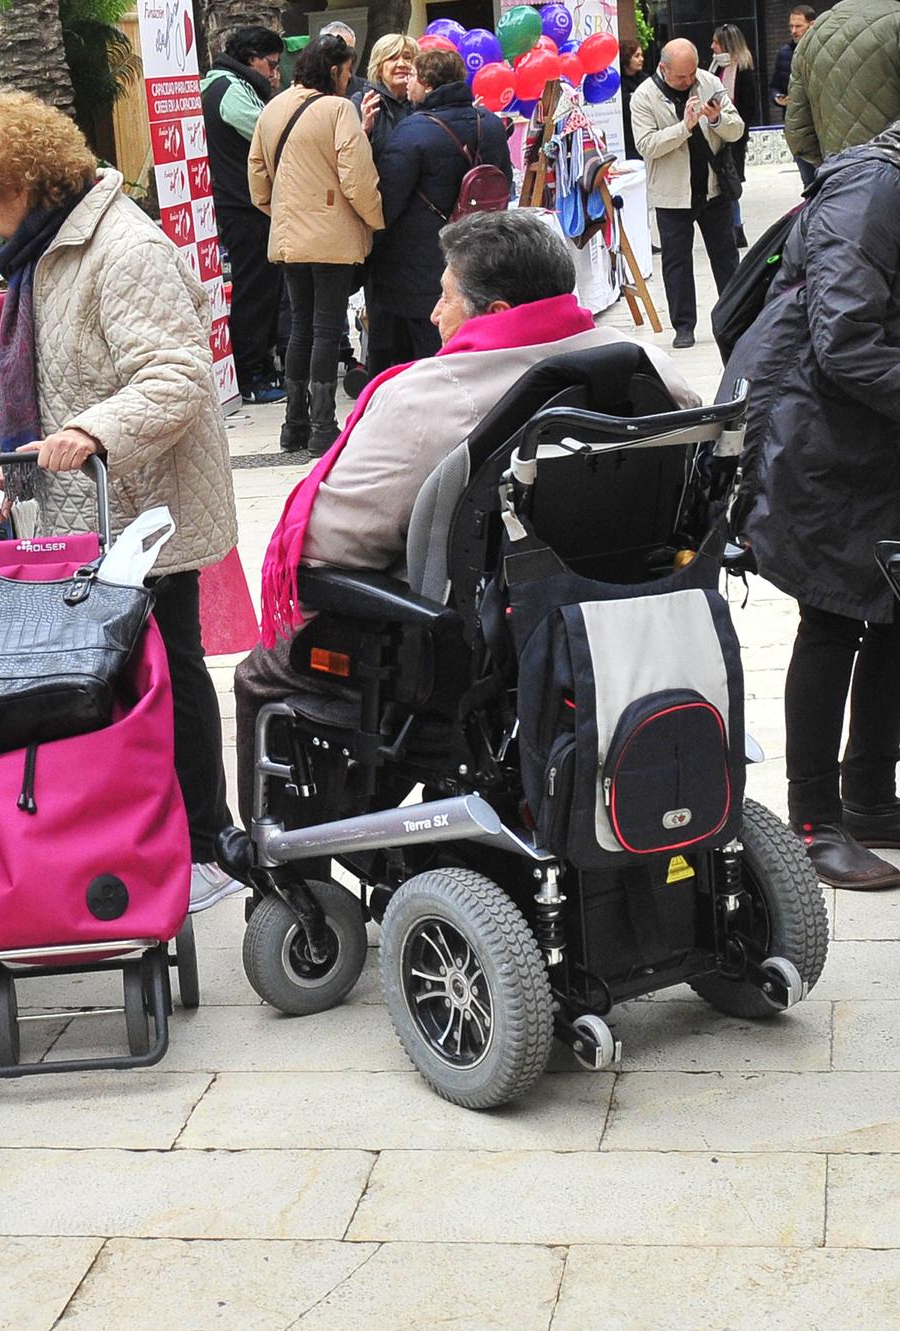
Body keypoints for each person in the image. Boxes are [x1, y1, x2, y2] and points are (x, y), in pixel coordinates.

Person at [234, 210, 698, 821]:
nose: (433, 314)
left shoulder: (431, 397)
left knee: (265, 671)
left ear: (498, 311)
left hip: (471, 652)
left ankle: (290, 871)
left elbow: (327, 547)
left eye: (446, 296)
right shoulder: (644, 365)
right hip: (621, 627)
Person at [0, 89, 244, 912]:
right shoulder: (51, 246)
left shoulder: (122, 248)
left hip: (141, 502)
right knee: (137, 671)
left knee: (168, 667)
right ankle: (155, 830)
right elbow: (47, 384)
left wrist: (94, 432)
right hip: (97, 503)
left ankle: (208, 845)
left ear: (22, 181)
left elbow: (177, 375)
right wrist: (18, 466)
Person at [724, 118, 900, 889]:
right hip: (814, 432)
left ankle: (869, 795)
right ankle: (813, 821)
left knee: (892, 607)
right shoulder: (870, 190)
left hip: (868, 428)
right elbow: (846, 339)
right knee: (833, 614)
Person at [248, 34, 383, 453]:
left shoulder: (272, 109)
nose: (349, 79)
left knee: (301, 327)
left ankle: (294, 425)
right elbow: (357, 178)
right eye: (346, 71)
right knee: (326, 327)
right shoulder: (339, 109)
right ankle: (324, 427)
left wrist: (286, 212)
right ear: (333, 70)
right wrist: (376, 221)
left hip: (288, 238)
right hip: (331, 238)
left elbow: (257, 179)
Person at [366, 48, 513, 375]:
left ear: (428, 85)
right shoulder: (488, 122)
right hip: (479, 249)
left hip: (419, 261)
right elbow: (506, 181)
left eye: (414, 78)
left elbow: (387, 202)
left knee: (428, 351)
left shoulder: (412, 131)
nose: (409, 85)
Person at [629, 39, 744, 349]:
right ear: (662, 68)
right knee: (677, 263)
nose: (689, 80)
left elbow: (737, 129)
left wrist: (716, 119)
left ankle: (737, 318)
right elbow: (647, 146)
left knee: (726, 257)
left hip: (713, 188)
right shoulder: (644, 97)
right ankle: (683, 327)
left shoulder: (708, 82)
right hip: (672, 194)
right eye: (681, 76)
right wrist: (685, 127)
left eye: (692, 71)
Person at [203, 25, 289, 405]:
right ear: (251, 58)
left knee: (260, 290)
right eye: (270, 65)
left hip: (239, 205)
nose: (274, 74)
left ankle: (258, 368)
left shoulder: (216, 84)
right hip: (245, 207)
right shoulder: (230, 91)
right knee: (256, 292)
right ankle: (253, 373)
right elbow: (273, 132)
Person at [785, 0, 900, 169]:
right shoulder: (895, 20)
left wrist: (833, 165)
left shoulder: (813, 35)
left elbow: (797, 132)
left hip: (841, 175)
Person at [711, 23, 760, 244]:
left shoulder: (742, 69)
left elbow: (749, 107)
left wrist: (733, 126)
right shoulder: (715, 67)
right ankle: (731, 227)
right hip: (715, 131)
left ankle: (736, 228)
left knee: (730, 182)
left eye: (716, 42)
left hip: (734, 136)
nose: (712, 46)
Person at [359, 33, 420, 154]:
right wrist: (364, 130)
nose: (401, 64)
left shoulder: (423, 100)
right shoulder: (364, 102)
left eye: (407, 58)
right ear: (378, 68)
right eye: (393, 58)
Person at [773, 5, 817, 174]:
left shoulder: (822, 51)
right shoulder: (784, 53)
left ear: (812, 25)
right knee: (808, 183)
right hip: (797, 126)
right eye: (791, 26)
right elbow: (775, 85)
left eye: (798, 26)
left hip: (820, 125)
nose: (793, 31)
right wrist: (777, 97)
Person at [619, 36, 652, 160]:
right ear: (626, 58)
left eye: (641, 55)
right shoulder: (618, 82)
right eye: (637, 56)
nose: (641, 59)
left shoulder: (646, 79)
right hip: (627, 136)